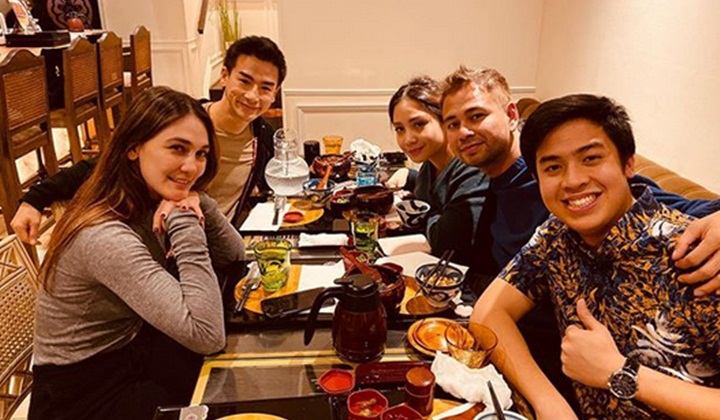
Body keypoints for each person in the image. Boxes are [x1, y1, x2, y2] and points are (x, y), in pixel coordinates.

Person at [439, 65, 720, 411]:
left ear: (628, 164)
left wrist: (620, 373)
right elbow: (488, 313)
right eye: (553, 167)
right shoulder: (557, 234)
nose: (572, 181)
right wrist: (549, 404)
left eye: (591, 159)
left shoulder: (696, 255)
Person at [27, 86, 246, 420]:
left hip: (130, 355)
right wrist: (184, 218)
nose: (191, 167)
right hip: (82, 398)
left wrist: (198, 200)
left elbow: (235, 254)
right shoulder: (104, 236)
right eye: (177, 148)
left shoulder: (143, 196)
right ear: (133, 148)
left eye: (201, 154)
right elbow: (206, 334)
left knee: (232, 379)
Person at [10, 35, 286, 244]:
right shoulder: (183, 123)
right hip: (161, 243)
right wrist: (35, 199)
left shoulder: (264, 139)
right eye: (244, 81)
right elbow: (105, 165)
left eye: (265, 88)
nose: (252, 96)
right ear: (224, 76)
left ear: (275, 94)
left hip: (218, 247)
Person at [386, 76, 489, 266]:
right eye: (400, 129)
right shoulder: (430, 164)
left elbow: (446, 242)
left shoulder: (471, 168)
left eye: (419, 124)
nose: (408, 139)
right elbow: (429, 193)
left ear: (445, 120)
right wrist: (409, 176)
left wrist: (424, 214)